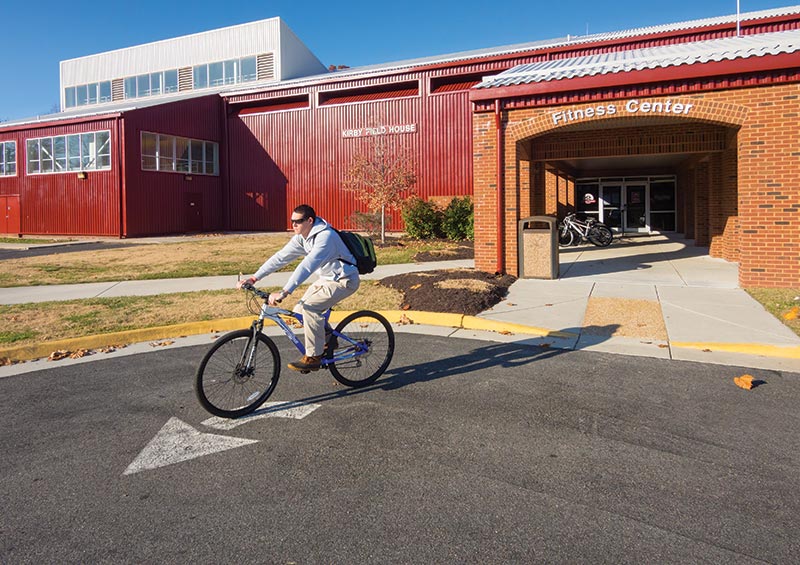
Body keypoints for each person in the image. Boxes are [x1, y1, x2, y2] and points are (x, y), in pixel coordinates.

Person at [237, 204, 360, 372]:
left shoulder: (325, 237)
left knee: (310, 309)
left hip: (344, 281)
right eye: (292, 221)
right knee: (299, 311)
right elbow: (280, 258)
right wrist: (254, 277)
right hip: (326, 279)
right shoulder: (303, 237)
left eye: (298, 221)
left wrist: (285, 291)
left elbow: (306, 267)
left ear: (310, 220)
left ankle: (313, 357)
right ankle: (329, 340)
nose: (293, 225)